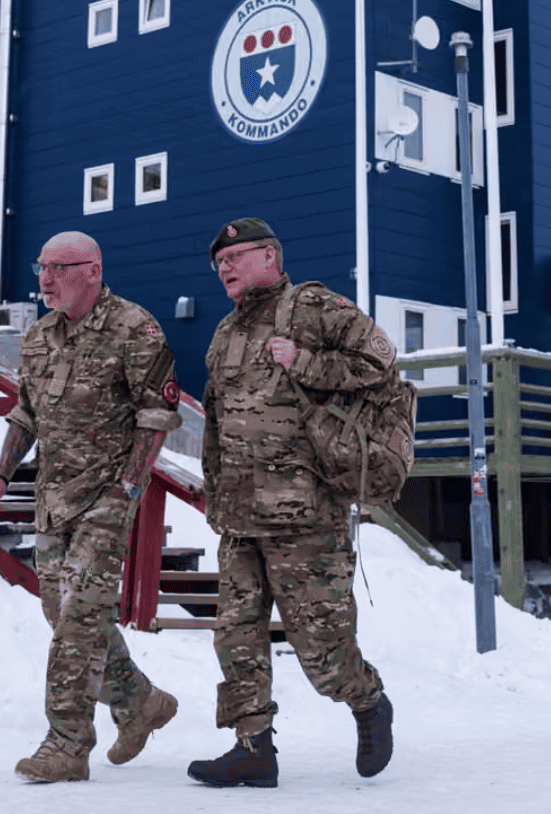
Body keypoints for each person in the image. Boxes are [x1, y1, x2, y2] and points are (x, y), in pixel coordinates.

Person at [187, 217, 394, 788]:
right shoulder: (225, 333)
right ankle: (253, 746)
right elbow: (215, 421)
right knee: (236, 634)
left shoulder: (314, 307)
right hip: (238, 515)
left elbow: (380, 361)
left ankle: (368, 701)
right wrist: (213, 492)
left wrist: (304, 361)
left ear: (272, 256)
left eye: (237, 256)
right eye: (219, 263)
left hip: (305, 513)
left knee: (321, 650)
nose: (225, 268)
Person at [0, 231, 183, 783]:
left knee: (78, 619)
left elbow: (157, 417)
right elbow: (26, 412)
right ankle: (140, 702)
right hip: (53, 498)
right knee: (60, 612)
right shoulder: (40, 335)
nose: (44, 280)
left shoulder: (135, 328)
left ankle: (66, 743)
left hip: (107, 499)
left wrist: (129, 491)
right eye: (40, 267)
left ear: (91, 270)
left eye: (58, 268)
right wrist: (2, 473)